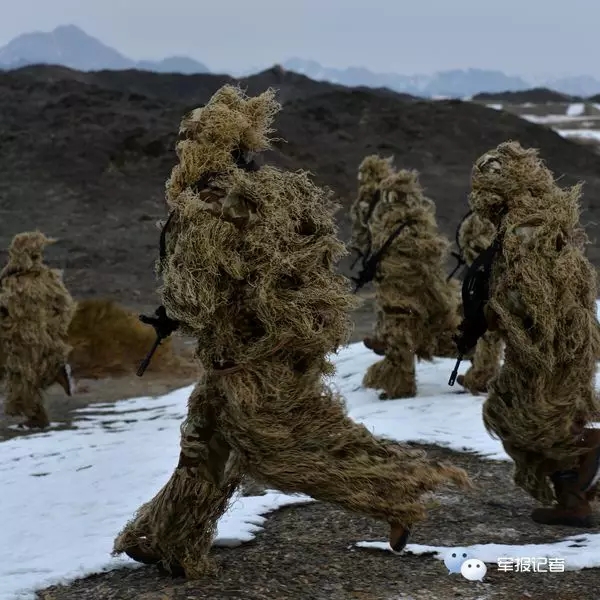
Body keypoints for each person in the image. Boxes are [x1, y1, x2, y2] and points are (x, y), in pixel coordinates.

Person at [112, 85, 469, 577]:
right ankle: (168, 539)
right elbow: (263, 270)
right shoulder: (275, 191)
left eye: (190, 139)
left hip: (246, 356)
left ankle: (399, 492)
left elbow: (199, 296)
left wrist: (174, 312)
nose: (183, 149)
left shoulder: (208, 204)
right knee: (203, 444)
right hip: (266, 346)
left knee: (284, 451)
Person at [458, 140, 600, 526]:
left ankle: (586, 460)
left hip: (546, 344)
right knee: (543, 416)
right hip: (562, 340)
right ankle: (573, 498)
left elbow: (531, 295)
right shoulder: (543, 217)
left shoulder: (525, 228)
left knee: (518, 416)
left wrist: (491, 315)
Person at [360, 169, 461, 399]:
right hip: (406, 295)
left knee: (404, 338)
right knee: (404, 338)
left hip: (406, 295)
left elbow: (418, 260)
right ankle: (400, 384)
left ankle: (402, 387)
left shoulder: (403, 226)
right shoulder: (415, 223)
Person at [0, 231, 75, 428]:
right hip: (22, 336)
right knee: (25, 377)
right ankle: (54, 374)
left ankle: (38, 418)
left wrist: (54, 326)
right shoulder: (17, 280)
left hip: (29, 337)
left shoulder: (33, 280)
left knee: (25, 378)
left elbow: (63, 306)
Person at [454, 211, 503, 394]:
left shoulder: (484, 219)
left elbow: (481, 248)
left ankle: (484, 374)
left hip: (492, 278)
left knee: (488, 325)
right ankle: (483, 371)